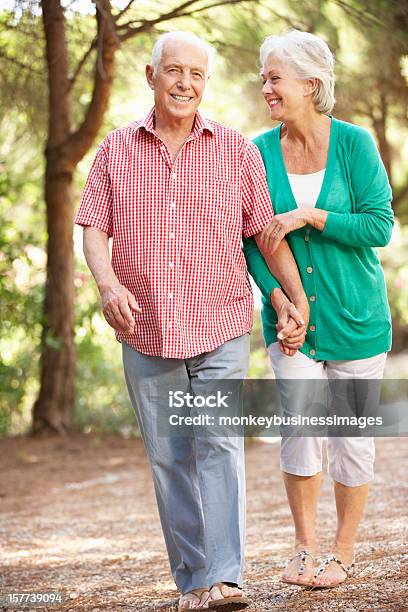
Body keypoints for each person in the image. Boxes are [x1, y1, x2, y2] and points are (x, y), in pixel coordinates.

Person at [75, 31, 307, 611]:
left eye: (196, 74)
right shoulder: (116, 149)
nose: (184, 83)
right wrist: (107, 284)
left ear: (206, 82)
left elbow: (263, 234)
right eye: (173, 71)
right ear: (150, 77)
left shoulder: (235, 150)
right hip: (146, 329)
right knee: (169, 455)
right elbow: (93, 227)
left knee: (218, 443)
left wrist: (286, 297)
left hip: (220, 323)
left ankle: (226, 577)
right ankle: (195, 579)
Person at [243, 29, 393, 588]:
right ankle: (304, 547)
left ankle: (343, 550)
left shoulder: (353, 145)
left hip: (356, 319)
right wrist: (280, 298)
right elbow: (250, 238)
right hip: (291, 326)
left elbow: (379, 225)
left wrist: (310, 216)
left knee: (351, 437)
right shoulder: (255, 152)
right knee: (301, 430)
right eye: (264, 78)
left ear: (312, 83)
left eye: (275, 77)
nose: (266, 88)